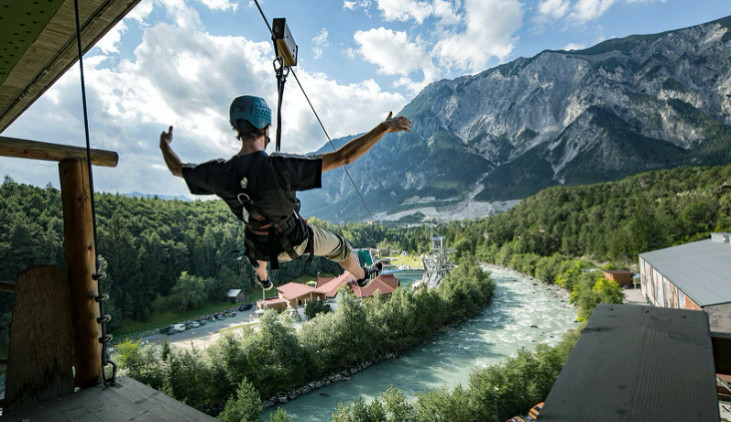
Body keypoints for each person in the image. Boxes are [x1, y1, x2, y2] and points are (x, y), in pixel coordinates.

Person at [159, 95, 412, 290]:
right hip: (296, 240)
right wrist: (383, 127)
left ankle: (264, 279)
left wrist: (164, 145)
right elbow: (344, 157)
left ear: (236, 127)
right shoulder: (279, 166)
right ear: (265, 128)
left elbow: (177, 169)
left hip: (258, 244)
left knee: (254, 233)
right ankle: (363, 277)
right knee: (343, 248)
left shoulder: (220, 173)